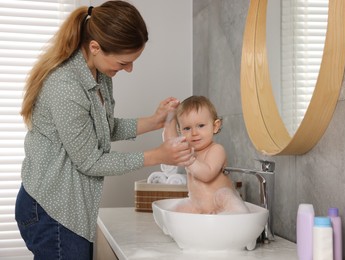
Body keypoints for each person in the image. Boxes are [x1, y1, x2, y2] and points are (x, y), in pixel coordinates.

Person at [15, 1, 194, 259]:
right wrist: (157, 155)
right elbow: (90, 161)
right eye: (124, 62)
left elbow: (104, 128)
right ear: (95, 47)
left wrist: (154, 121)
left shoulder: (100, 75)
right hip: (51, 209)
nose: (129, 69)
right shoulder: (66, 86)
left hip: (70, 206)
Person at [163, 96, 249, 215]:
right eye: (187, 128)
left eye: (201, 126)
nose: (194, 133)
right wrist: (169, 118)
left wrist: (189, 160)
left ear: (215, 126)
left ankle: (237, 217)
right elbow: (171, 143)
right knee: (171, 213)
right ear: (180, 130)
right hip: (197, 205)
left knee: (225, 195)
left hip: (220, 204)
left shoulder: (217, 150)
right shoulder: (187, 151)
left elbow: (207, 175)